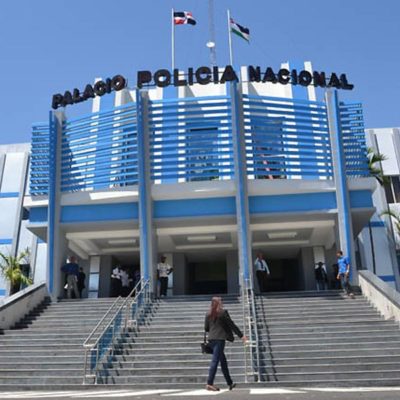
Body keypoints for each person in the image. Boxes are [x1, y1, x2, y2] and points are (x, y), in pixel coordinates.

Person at [204, 297, 247, 392]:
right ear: (219, 303)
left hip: (211, 339)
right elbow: (232, 325)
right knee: (215, 361)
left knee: (223, 361)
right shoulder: (223, 313)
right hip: (219, 339)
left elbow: (206, 328)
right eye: (221, 301)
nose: (222, 303)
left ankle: (230, 383)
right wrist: (241, 336)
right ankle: (209, 383)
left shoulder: (208, 314)